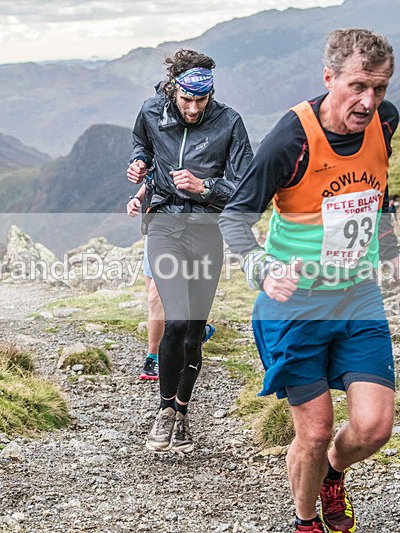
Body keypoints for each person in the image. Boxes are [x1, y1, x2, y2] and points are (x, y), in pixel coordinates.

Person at [219, 29, 400, 533]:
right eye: (357, 87)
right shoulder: (292, 137)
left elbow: (379, 192)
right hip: (295, 305)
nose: (369, 102)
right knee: (315, 430)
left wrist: (390, 252)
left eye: (380, 88)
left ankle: (332, 472)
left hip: (357, 296)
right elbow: (234, 217)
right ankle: (307, 521)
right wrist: (262, 268)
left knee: (374, 428)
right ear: (328, 78)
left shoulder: (385, 122)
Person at [126, 49, 253, 452]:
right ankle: (163, 413)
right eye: (186, 100)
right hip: (165, 225)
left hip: (206, 230)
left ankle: (182, 412)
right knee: (176, 321)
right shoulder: (151, 112)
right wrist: (139, 163)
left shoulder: (230, 123)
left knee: (195, 332)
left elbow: (249, 190)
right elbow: (141, 144)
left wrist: (207, 187)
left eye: (202, 100)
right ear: (173, 89)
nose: (194, 108)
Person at [125, 187, 216, 381]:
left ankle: (154, 357)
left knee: (156, 296)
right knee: (156, 296)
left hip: (186, 226)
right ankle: (196, 333)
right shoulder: (154, 156)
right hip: (157, 224)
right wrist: (137, 198)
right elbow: (155, 173)